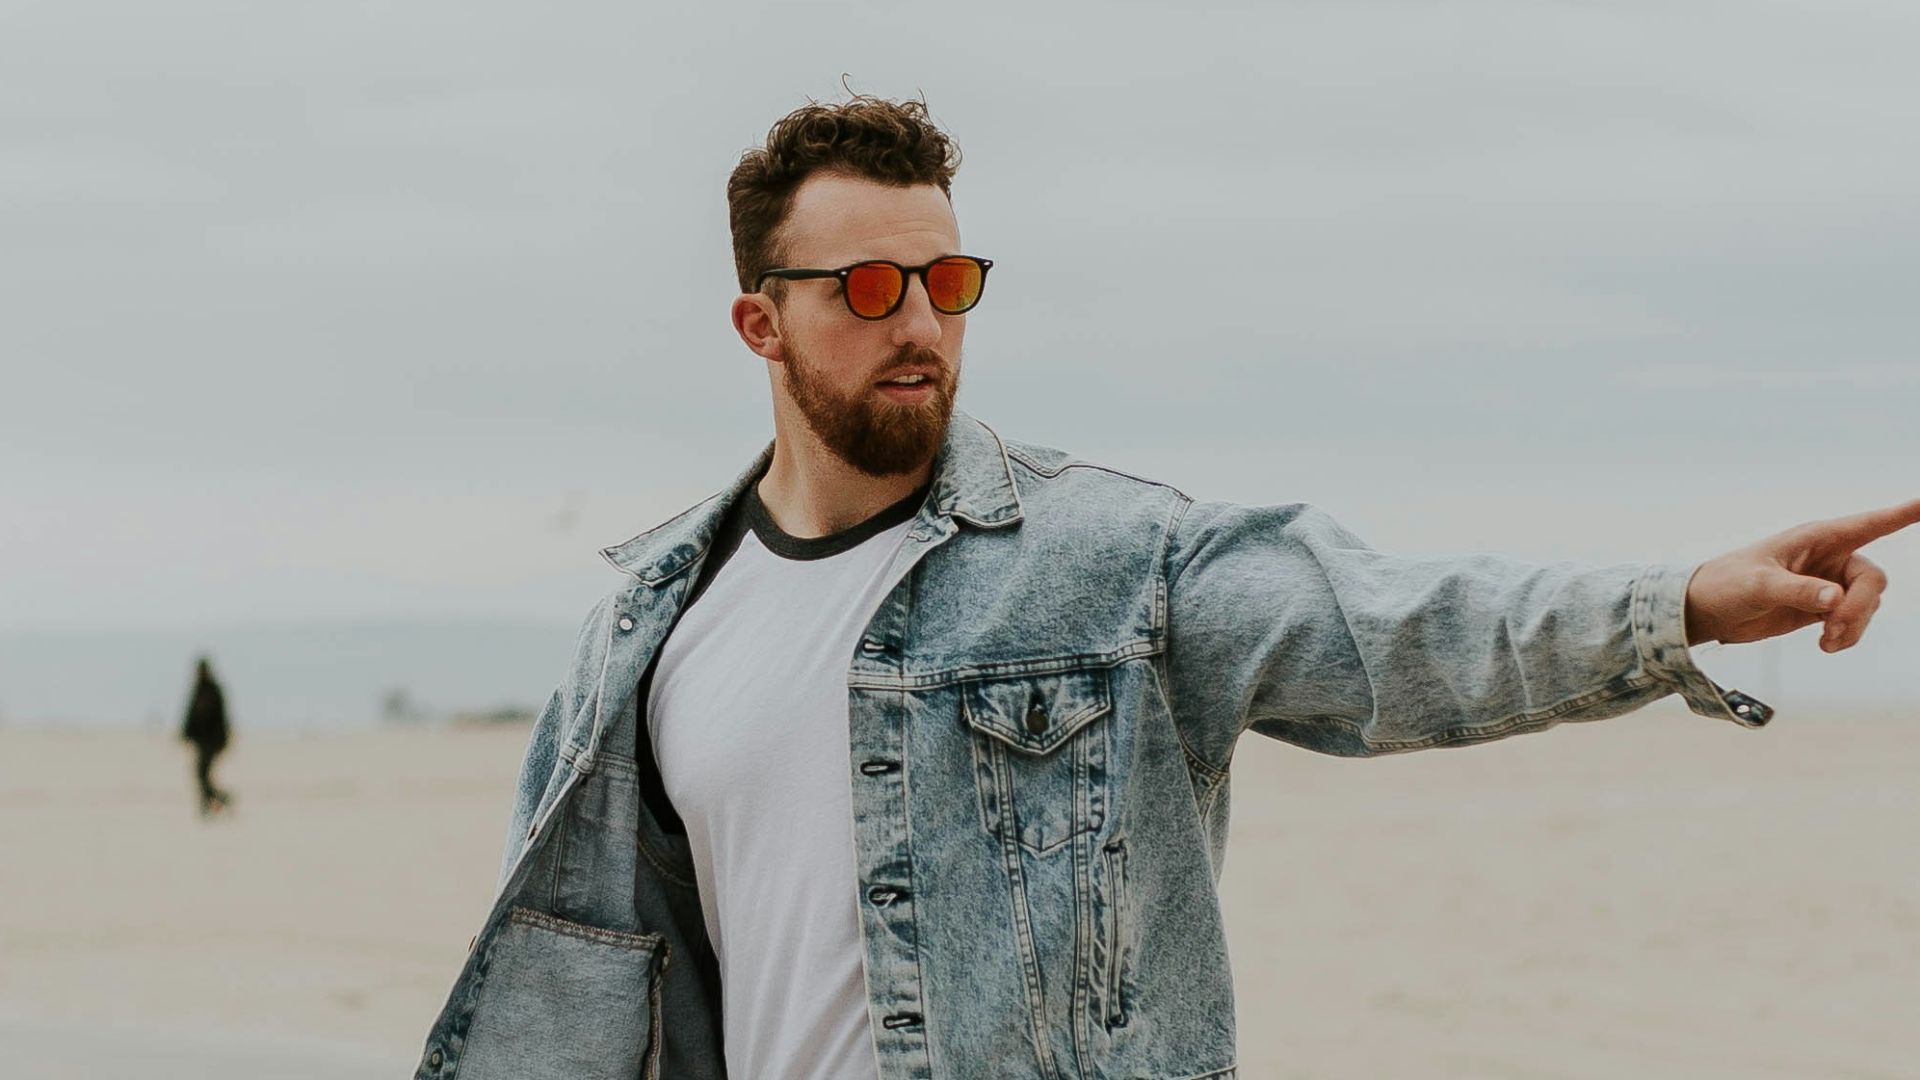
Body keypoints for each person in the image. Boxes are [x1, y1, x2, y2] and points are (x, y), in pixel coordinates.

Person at [417, 96, 1917, 1080]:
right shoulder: (654, 625)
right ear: (762, 321)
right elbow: (595, 988)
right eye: (869, 289)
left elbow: (1394, 632)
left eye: (950, 280)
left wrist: (1687, 604)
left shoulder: (1112, 561)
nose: (922, 319)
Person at [180, 655, 232, 817]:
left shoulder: (212, 690)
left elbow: (219, 718)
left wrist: (222, 739)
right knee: (201, 774)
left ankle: (218, 800)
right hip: (202, 740)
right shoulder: (199, 690)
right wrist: (186, 733)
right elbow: (191, 715)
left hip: (212, 740)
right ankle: (212, 803)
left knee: (202, 774)